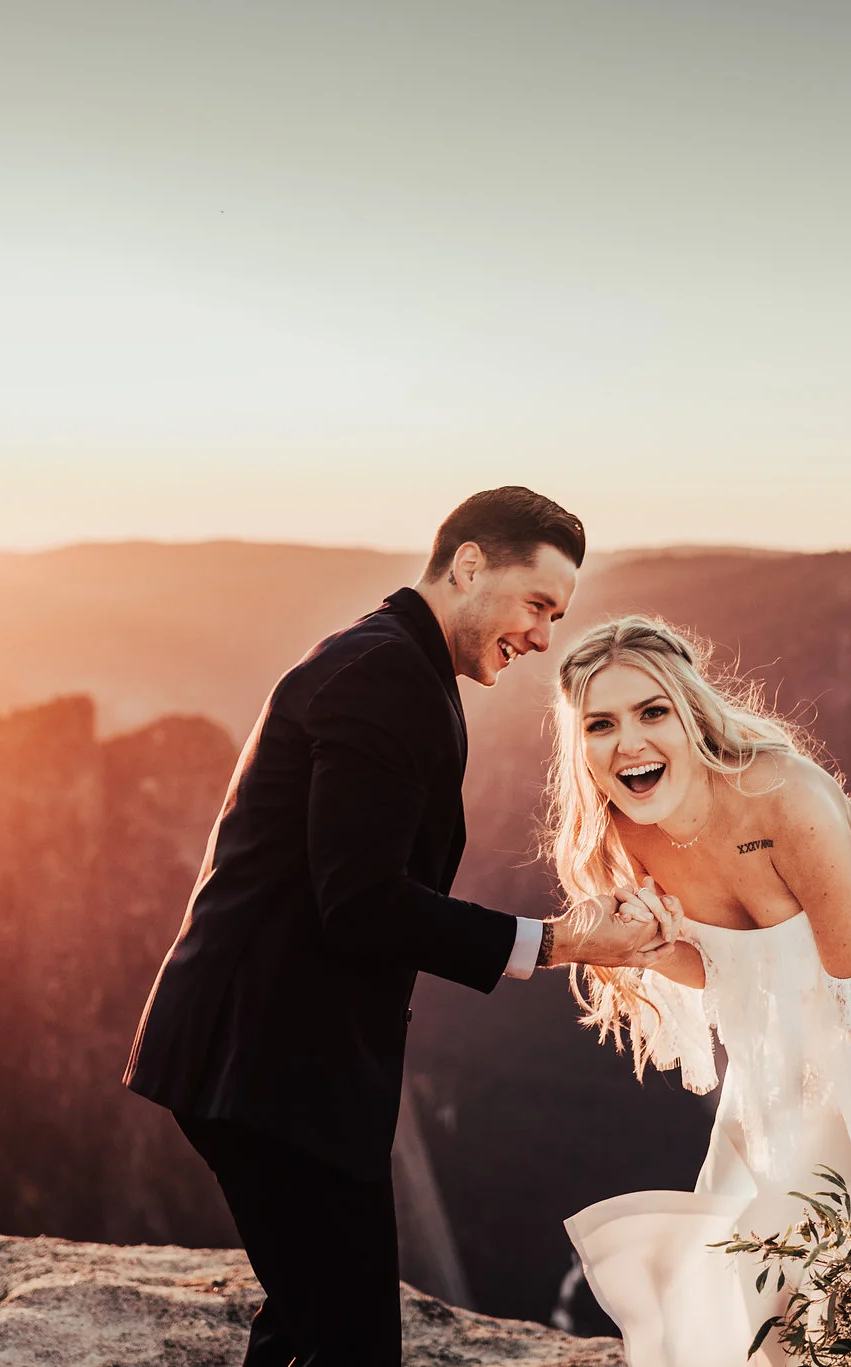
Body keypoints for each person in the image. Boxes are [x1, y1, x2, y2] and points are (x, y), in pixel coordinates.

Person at [122, 487, 668, 1367]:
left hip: (280, 1062)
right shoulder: (383, 677)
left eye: (557, 615)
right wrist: (565, 941)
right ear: (467, 566)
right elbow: (363, 901)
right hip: (266, 1068)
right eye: (537, 605)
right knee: (350, 1340)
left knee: (310, 1321)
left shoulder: (393, 661)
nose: (542, 637)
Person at [548, 616, 851, 1367]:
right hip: (780, 1043)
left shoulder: (785, 799)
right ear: (581, 745)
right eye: (601, 723)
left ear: (692, 712)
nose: (628, 742)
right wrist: (661, 952)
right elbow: (736, 966)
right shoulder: (627, 828)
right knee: (760, 1252)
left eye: (652, 711)